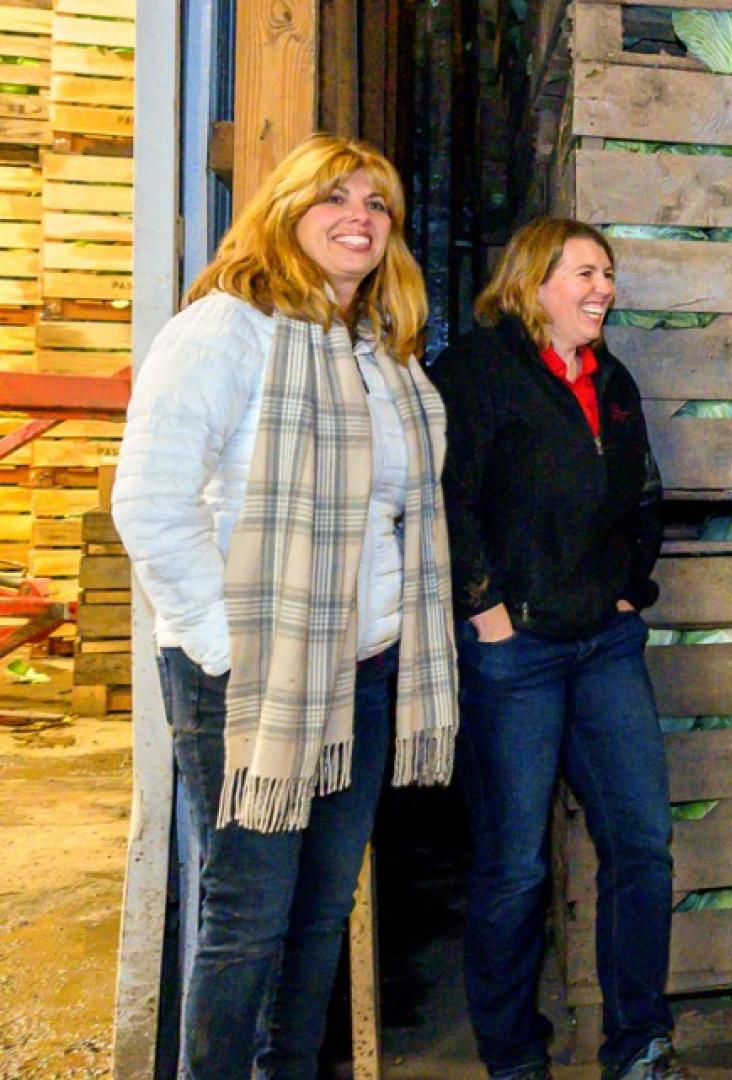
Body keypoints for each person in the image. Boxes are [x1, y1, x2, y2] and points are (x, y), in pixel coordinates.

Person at [115, 133, 460, 1078]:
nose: (360, 217)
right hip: (254, 675)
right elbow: (149, 503)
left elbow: (393, 516)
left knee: (320, 914)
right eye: (335, 197)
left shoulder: (374, 352)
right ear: (285, 211)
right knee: (247, 919)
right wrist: (231, 651)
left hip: (365, 667)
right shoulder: (225, 330)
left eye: (378, 204)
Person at [431, 218, 687, 1080]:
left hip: (605, 642)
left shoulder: (611, 382)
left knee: (642, 845)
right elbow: (448, 500)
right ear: (534, 279)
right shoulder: (476, 372)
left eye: (608, 273)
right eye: (585, 271)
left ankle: (640, 1042)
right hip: (518, 653)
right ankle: (513, 1059)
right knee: (513, 866)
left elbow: (644, 495)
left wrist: (629, 585)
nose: (603, 288)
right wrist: (487, 611)